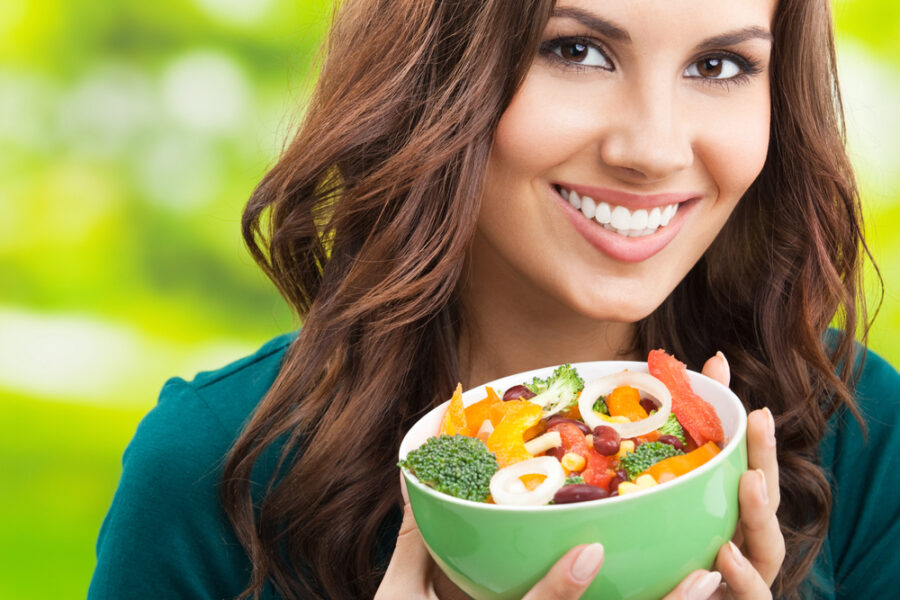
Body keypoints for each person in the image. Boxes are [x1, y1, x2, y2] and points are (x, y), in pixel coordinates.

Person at [89, 0, 900, 599]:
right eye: (577, 50)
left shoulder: (866, 433)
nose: (652, 150)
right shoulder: (209, 473)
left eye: (719, 65)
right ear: (432, 67)